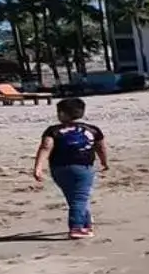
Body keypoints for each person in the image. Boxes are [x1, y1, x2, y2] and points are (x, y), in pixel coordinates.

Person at [32, 96, 109, 239]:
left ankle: (86, 223)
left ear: (62, 114)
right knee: (80, 197)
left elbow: (45, 147)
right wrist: (104, 162)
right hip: (83, 168)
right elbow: (101, 147)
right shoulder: (93, 130)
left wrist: (38, 167)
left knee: (74, 197)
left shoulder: (53, 130)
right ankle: (77, 227)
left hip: (58, 168)